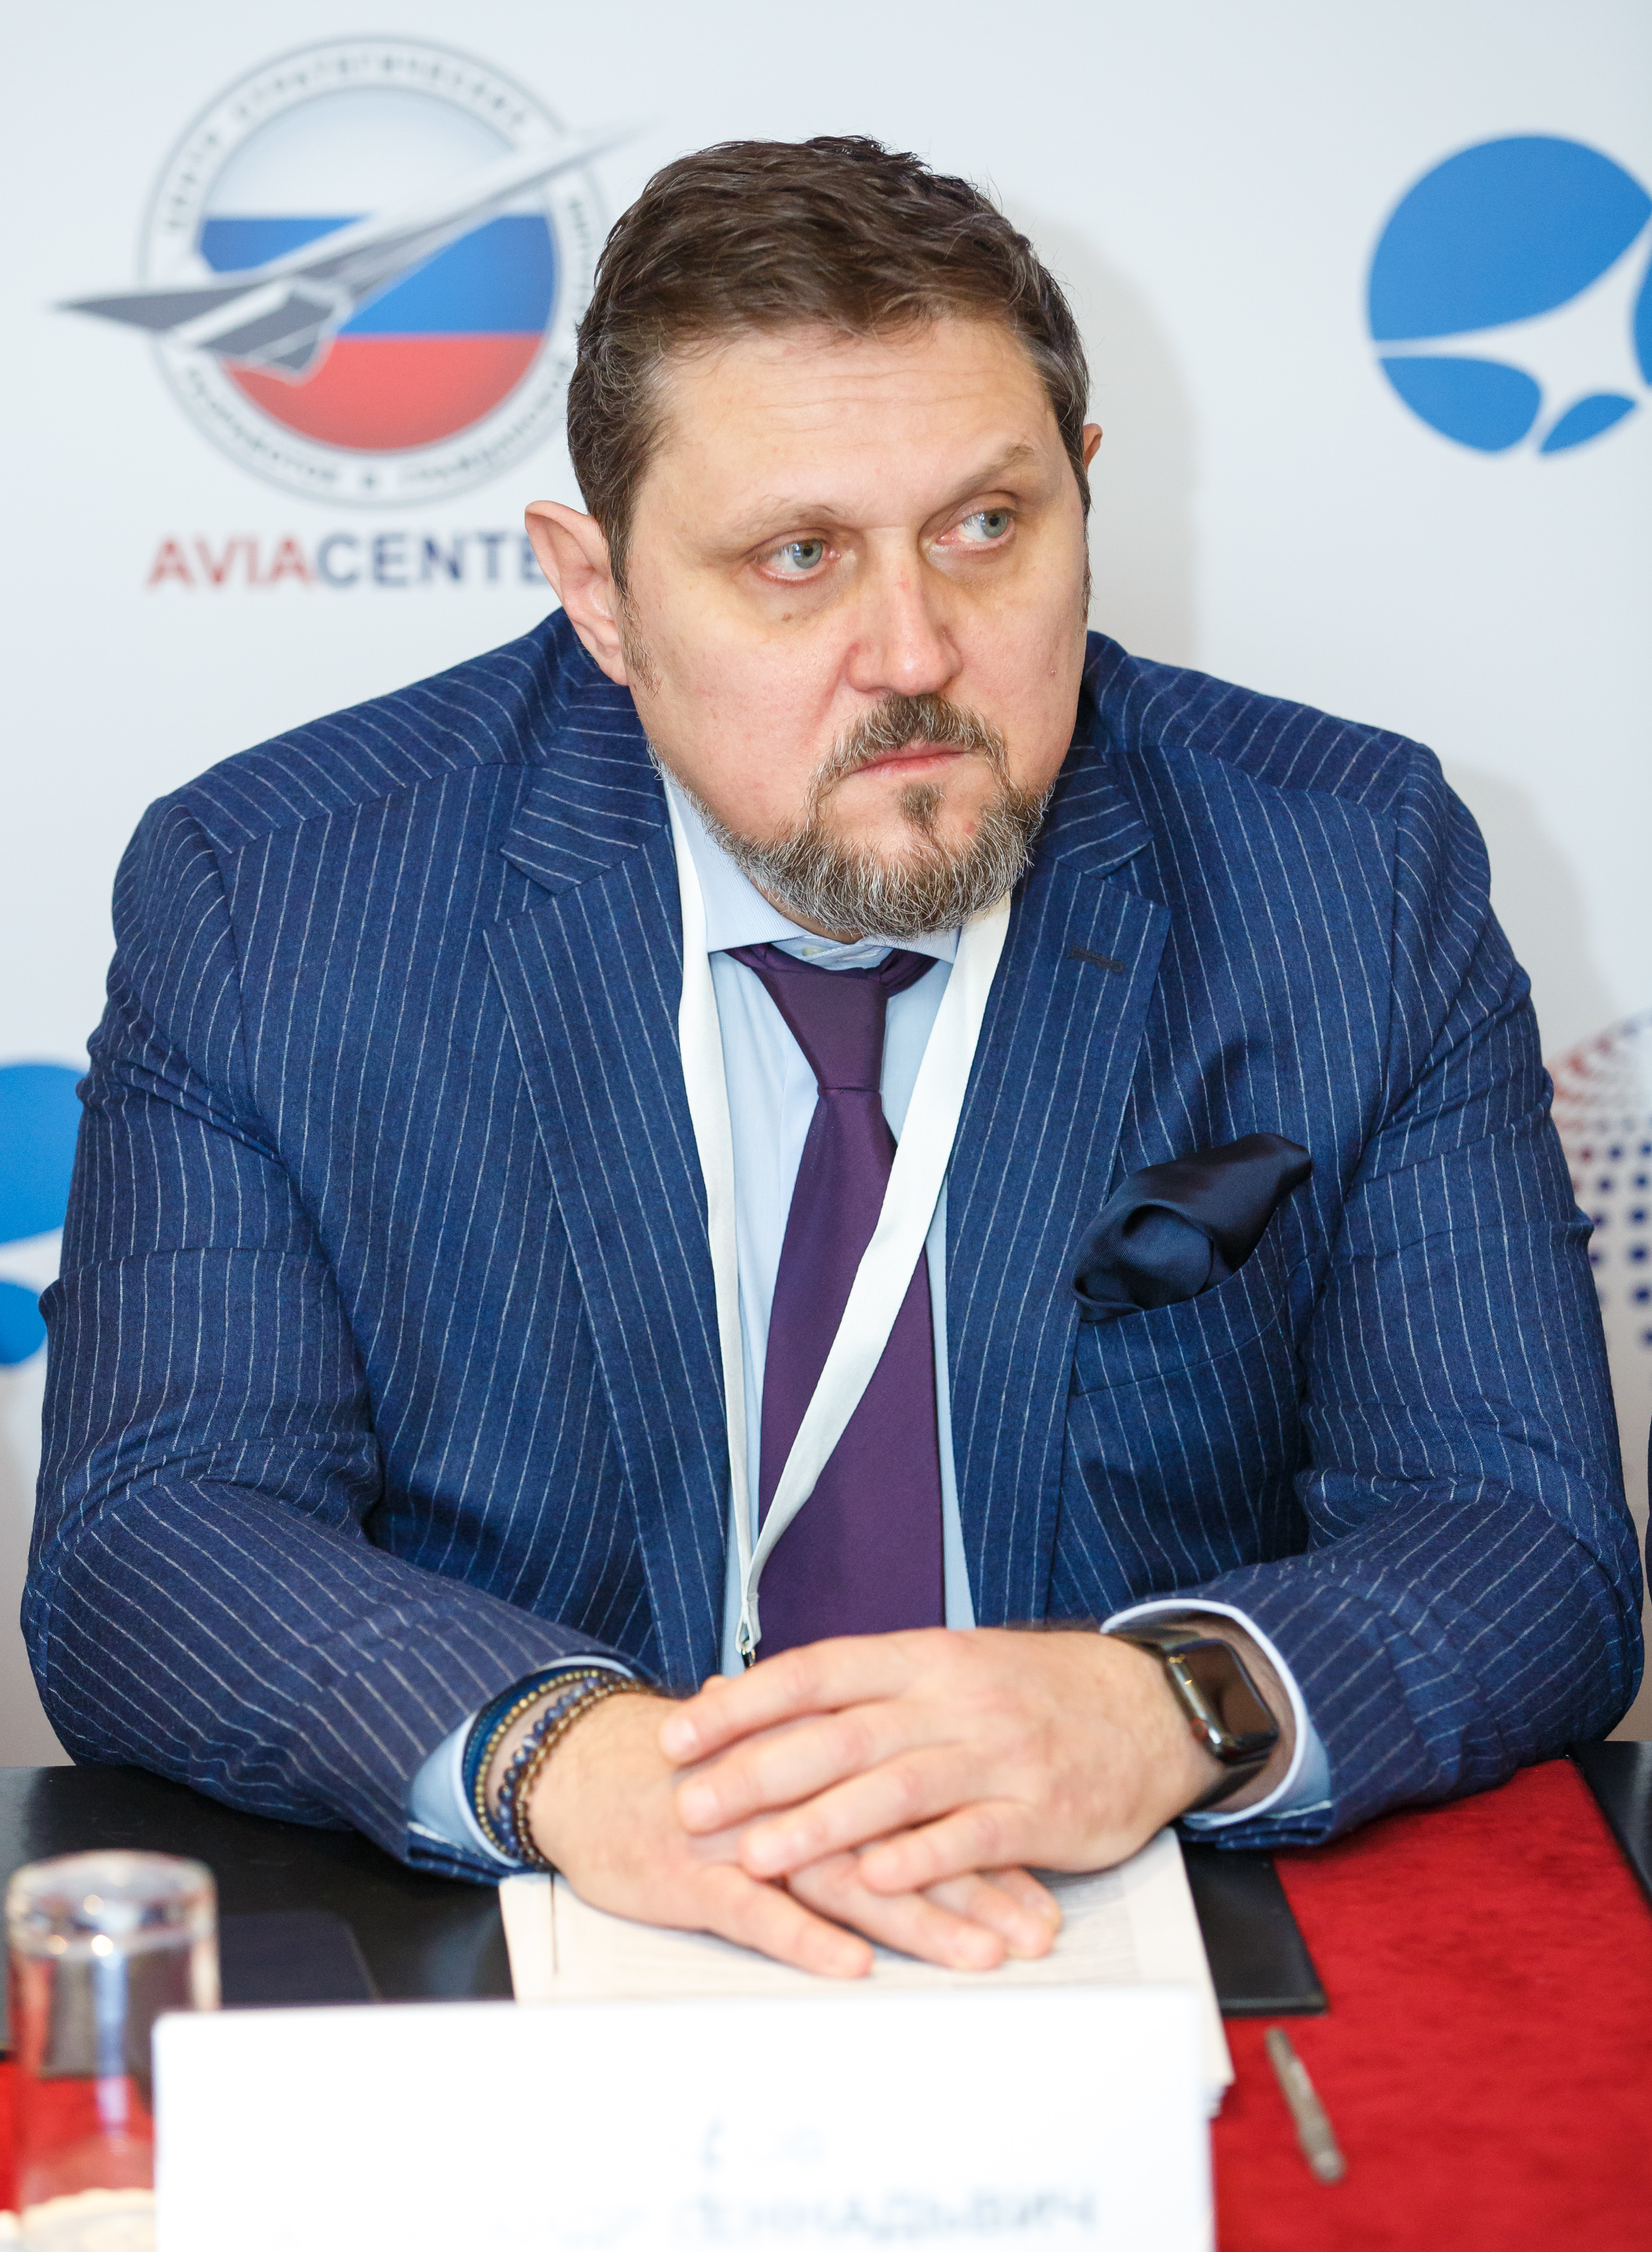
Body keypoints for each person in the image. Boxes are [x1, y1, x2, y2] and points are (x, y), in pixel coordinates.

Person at [29, 138, 1640, 1981]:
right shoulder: (281, 894)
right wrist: (575, 1764)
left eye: (986, 527)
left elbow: (1522, 1534)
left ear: (1084, 493)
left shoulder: (1346, 871)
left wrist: (1166, 1706)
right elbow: (156, 1537)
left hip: (1121, 1931)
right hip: (549, 1931)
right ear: (599, 591)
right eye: (798, 558)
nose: (916, 652)